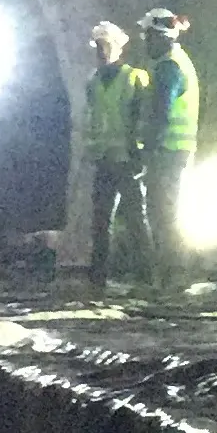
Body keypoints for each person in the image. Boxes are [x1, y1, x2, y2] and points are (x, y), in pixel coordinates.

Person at [83, 19, 151, 287]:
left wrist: (139, 154)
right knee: (101, 221)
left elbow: (142, 118)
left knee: (135, 218)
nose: (101, 51)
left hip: (127, 158)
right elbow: (92, 119)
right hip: (104, 159)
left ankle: (145, 274)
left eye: (105, 45)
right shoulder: (93, 81)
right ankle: (98, 276)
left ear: (117, 47)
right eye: (98, 46)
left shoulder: (135, 77)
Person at [136, 7, 201, 284]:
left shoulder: (168, 68)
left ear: (161, 36)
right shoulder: (178, 61)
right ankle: (173, 273)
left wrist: (147, 151)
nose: (145, 42)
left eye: (148, 36)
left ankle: (171, 275)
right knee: (168, 212)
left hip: (167, 153)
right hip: (177, 152)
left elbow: (160, 115)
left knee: (163, 213)